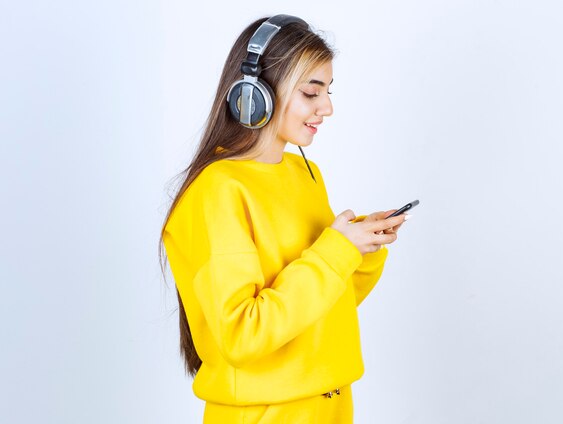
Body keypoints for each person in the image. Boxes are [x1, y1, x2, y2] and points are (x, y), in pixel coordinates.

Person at [159, 14, 409, 423]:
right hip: (267, 415)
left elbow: (319, 304)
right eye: (312, 92)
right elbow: (244, 333)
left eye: (327, 91)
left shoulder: (303, 174)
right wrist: (336, 251)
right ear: (256, 94)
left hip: (329, 405)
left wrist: (360, 247)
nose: (327, 107)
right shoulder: (219, 191)